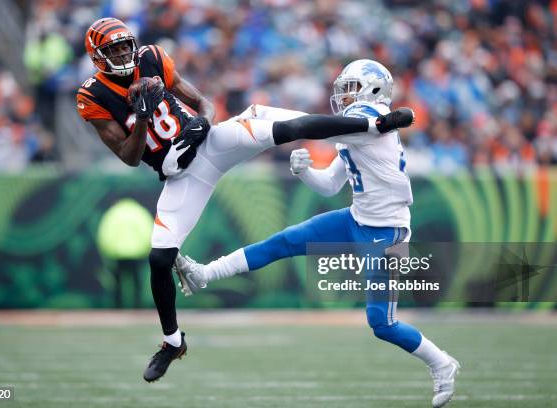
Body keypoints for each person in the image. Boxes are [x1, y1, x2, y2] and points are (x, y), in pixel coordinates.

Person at [76, 18, 414, 383]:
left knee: (292, 129)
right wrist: (141, 117)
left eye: (125, 45)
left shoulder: (153, 58)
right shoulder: (93, 96)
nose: (123, 53)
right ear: (98, 56)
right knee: (160, 257)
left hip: (211, 143)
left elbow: (204, 105)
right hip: (181, 176)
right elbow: (128, 155)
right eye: (113, 49)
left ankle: (375, 126)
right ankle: (172, 342)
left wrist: (200, 125)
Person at [176, 60, 459, 408]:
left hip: (387, 233)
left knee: (382, 324)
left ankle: (442, 363)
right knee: (284, 242)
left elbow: (304, 124)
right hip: (357, 218)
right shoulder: (360, 127)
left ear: (372, 90)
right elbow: (328, 186)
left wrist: (261, 112)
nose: (344, 95)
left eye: (352, 87)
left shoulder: (367, 122)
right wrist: (306, 172)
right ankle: (205, 273)